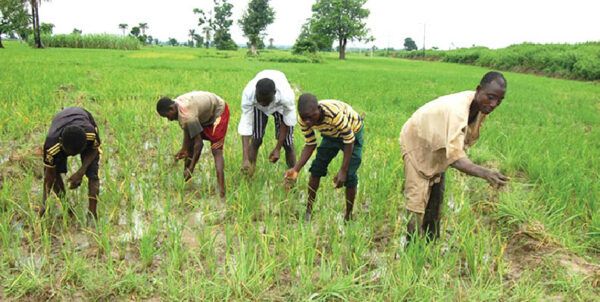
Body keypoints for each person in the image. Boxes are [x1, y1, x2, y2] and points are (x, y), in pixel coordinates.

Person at [399, 71, 510, 242]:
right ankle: (412, 248)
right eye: (491, 97)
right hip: (418, 142)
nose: (494, 104)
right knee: (417, 198)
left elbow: (458, 144)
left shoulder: (480, 109)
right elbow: (456, 157)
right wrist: (485, 173)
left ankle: (431, 242)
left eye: (499, 100)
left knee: (437, 194)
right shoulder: (458, 110)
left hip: (437, 146)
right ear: (479, 90)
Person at [285, 93, 364, 222]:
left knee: (349, 175)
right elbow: (310, 144)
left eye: (311, 117)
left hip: (353, 132)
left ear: (318, 109)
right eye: (304, 118)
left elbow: (349, 140)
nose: (308, 122)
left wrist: (343, 170)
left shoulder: (334, 115)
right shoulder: (303, 119)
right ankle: (309, 210)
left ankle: (348, 216)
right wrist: (295, 169)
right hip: (330, 135)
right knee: (316, 169)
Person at [156, 91, 229, 199]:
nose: (169, 120)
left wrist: (191, 168)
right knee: (189, 147)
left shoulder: (187, 115)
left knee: (216, 150)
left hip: (218, 112)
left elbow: (199, 144)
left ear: (172, 109)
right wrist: (184, 149)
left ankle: (222, 191)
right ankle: (187, 182)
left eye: (167, 116)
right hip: (204, 114)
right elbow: (188, 131)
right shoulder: (178, 105)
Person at [42, 107, 101, 219]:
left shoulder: (90, 134)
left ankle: (92, 215)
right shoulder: (51, 147)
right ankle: (67, 209)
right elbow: (49, 176)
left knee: (93, 175)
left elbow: (94, 149)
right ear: (61, 145)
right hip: (60, 121)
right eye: (70, 153)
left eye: (77, 153)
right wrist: (44, 203)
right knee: (56, 174)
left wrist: (81, 172)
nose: (73, 156)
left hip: (82, 115)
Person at [239, 70, 297, 175]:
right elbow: (246, 124)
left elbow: (287, 121)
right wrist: (245, 158)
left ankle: (292, 176)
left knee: (287, 143)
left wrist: (278, 148)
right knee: (256, 139)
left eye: (266, 101)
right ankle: (249, 173)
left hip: (279, 106)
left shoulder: (286, 96)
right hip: (257, 108)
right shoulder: (249, 94)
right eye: (260, 100)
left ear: (274, 93)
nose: (263, 103)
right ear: (256, 93)